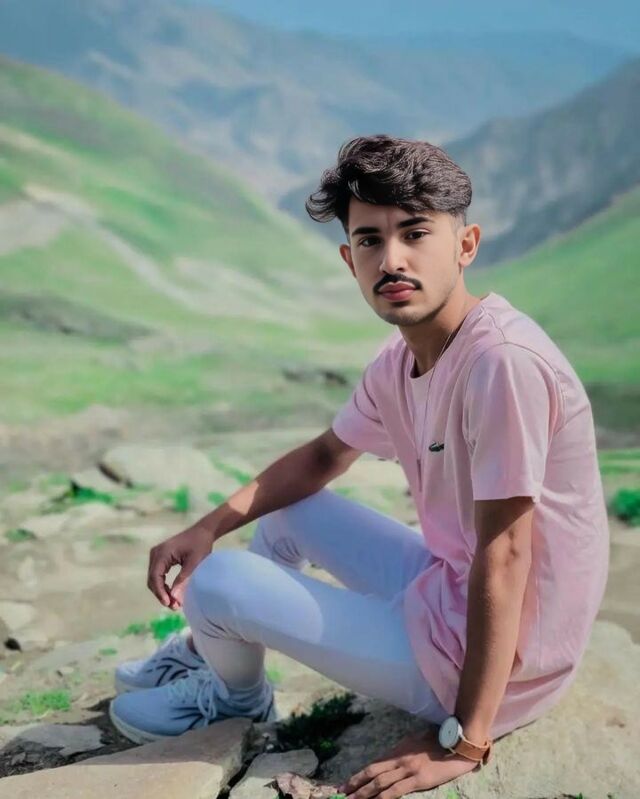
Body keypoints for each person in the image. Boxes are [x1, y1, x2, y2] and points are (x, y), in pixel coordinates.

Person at [109, 135, 609, 795]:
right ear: (350, 259)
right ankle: (211, 651)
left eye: (415, 233)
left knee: (219, 581)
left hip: (507, 663)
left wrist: (466, 737)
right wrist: (206, 525)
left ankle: (236, 697)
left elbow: (508, 552)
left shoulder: (501, 364)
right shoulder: (401, 359)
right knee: (288, 512)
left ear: (466, 245)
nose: (392, 259)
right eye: (371, 239)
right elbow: (325, 455)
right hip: (451, 591)